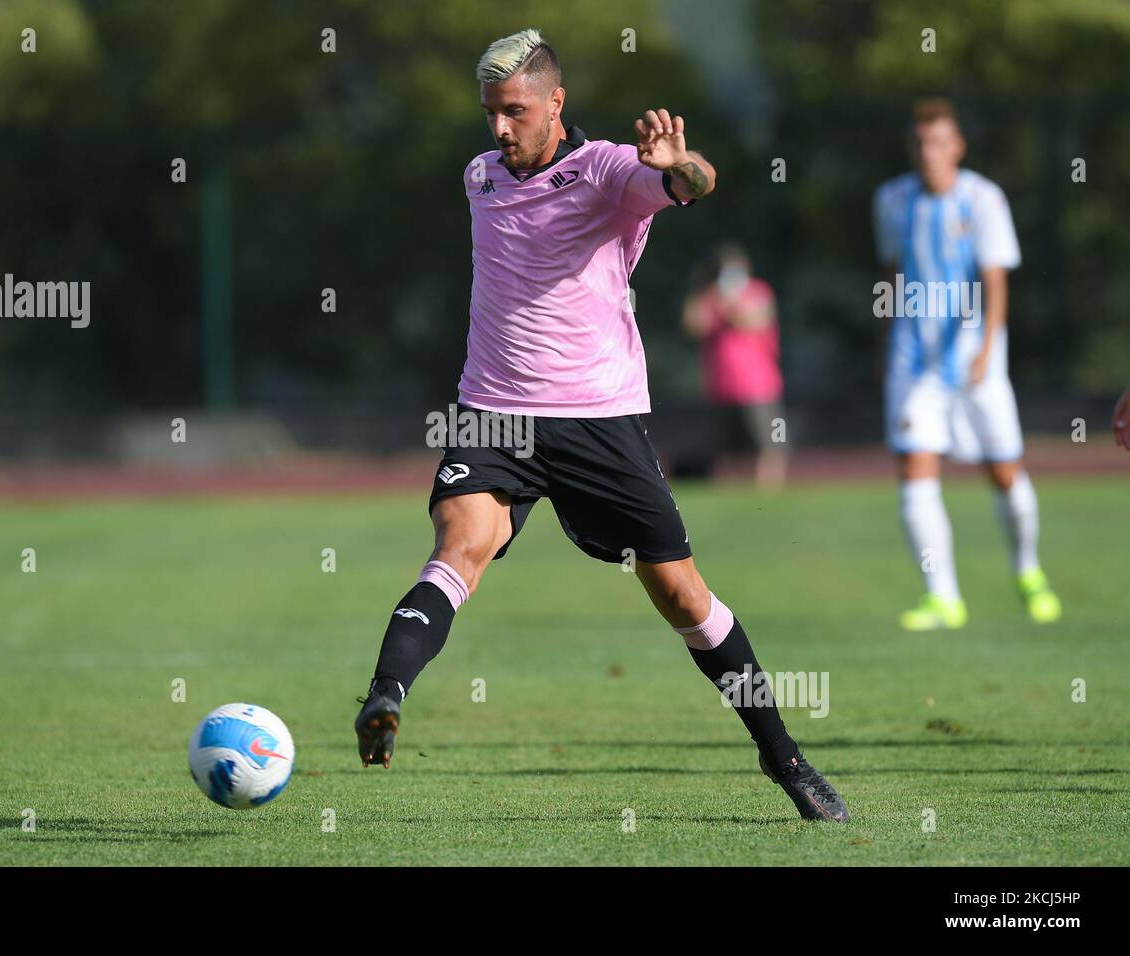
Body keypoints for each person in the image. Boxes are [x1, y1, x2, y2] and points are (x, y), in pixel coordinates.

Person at [354, 29, 849, 823]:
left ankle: (783, 758)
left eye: (515, 111)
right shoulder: (479, 175)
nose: (500, 129)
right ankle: (384, 697)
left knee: (682, 596)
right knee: (457, 550)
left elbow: (697, 182)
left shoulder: (613, 171)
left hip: (598, 420)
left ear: (556, 104)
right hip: (494, 413)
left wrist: (676, 167)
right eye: (490, 113)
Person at [872, 98, 1061, 631]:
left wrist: (985, 349)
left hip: (977, 364)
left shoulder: (983, 199)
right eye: (920, 143)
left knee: (1004, 472)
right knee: (914, 469)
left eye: (938, 142)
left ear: (957, 147)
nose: (928, 153)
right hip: (914, 363)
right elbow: (889, 273)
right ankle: (943, 596)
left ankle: (1028, 571)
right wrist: (885, 345)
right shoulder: (891, 200)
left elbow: (995, 279)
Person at [683, 244, 787, 490]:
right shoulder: (708, 296)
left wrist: (728, 302)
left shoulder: (758, 291)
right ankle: (737, 492)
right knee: (727, 448)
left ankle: (769, 492)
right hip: (722, 388)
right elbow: (693, 325)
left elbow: (753, 320)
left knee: (769, 442)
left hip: (759, 386)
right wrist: (701, 290)